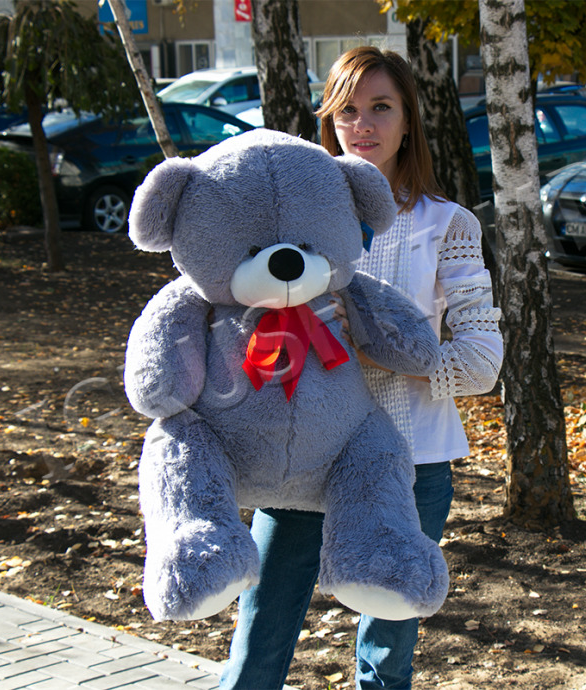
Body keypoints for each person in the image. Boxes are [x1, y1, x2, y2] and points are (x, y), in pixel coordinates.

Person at [220, 46, 503, 689]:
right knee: (259, 636)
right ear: (329, 121)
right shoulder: (288, 227)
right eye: (348, 110)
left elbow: (483, 362)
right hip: (300, 458)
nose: (364, 125)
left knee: (386, 650)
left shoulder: (446, 225)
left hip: (409, 463)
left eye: (381, 107)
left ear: (408, 121)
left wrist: (384, 351)